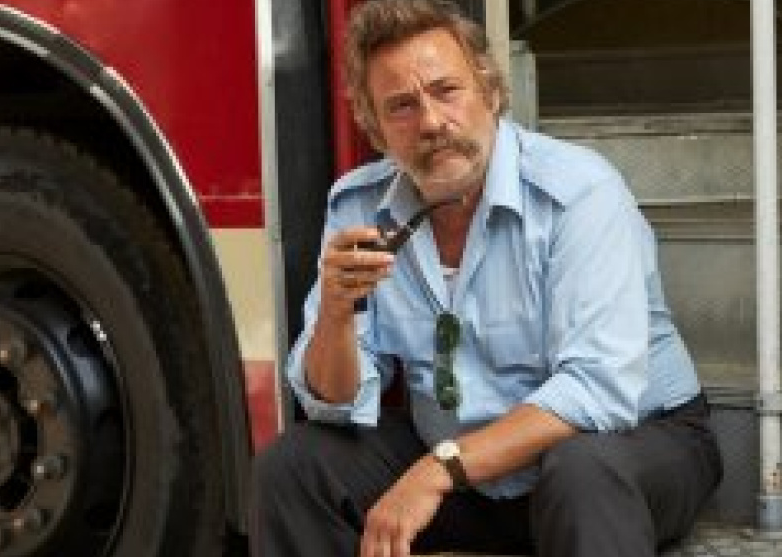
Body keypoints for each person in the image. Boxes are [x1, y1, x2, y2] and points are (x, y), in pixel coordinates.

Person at [250, 1, 722, 556]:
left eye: (446, 91)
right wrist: (336, 314)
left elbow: (598, 389)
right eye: (402, 106)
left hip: (627, 444)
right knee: (294, 468)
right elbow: (334, 404)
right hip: (461, 462)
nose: (431, 122)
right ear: (375, 130)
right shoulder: (359, 206)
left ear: (491, 92)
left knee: (583, 473)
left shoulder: (578, 192)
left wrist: (439, 470)